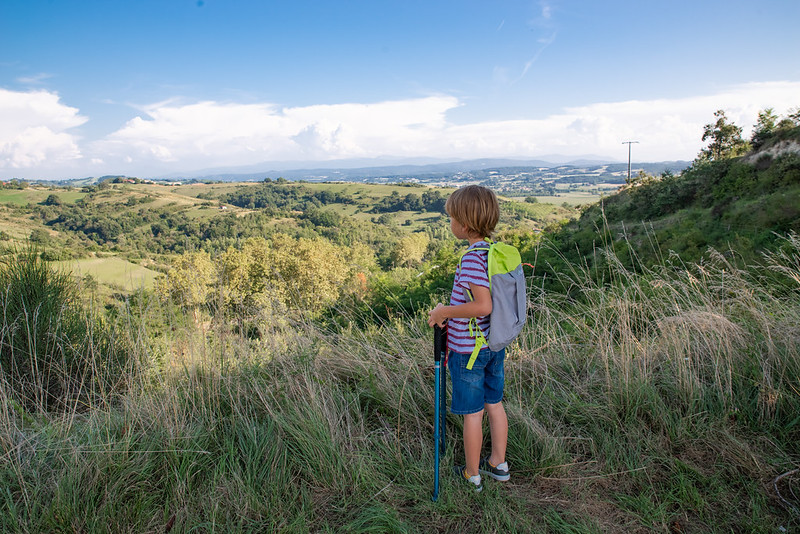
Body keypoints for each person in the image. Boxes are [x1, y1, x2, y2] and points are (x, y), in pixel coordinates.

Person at [428, 185, 510, 492]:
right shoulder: (495, 254)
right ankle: (497, 464)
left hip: (469, 352)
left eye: (451, 217)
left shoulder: (473, 259)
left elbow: (482, 305)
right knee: (494, 405)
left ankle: (472, 474)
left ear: (464, 224)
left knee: (472, 414)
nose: (449, 222)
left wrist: (444, 311)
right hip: (494, 345)